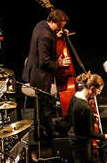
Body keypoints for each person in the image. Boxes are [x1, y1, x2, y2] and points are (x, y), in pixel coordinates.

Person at [22, 9, 71, 146]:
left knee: (43, 104)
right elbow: (44, 62)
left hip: (36, 71)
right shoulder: (45, 36)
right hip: (40, 76)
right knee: (46, 105)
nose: (61, 28)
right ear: (52, 21)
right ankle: (50, 136)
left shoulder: (41, 24)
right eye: (59, 26)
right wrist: (60, 63)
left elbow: (51, 36)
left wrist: (58, 33)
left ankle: (41, 129)